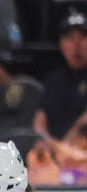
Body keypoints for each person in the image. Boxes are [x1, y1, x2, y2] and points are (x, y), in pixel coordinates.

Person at [33, 8, 87, 144]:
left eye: (83, 37)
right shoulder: (54, 79)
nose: (77, 45)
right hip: (52, 154)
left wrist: (62, 148)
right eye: (70, 38)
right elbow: (39, 123)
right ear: (61, 44)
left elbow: (83, 124)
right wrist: (48, 144)